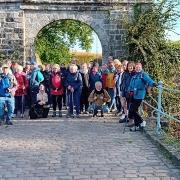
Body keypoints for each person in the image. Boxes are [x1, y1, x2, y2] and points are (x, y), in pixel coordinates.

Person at [127, 63, 155, 129]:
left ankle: (142, 122)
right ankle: (137, 125)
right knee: (133, 110)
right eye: (136, 67)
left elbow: (149, 80)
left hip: (140, 95)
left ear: (141, 68)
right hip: (133, 95)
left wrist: (153, 84)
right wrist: (129, 91)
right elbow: (130, 85)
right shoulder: (134, 76)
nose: (137, 68)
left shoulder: (143, 75)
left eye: (139, 67)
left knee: (133, 110)